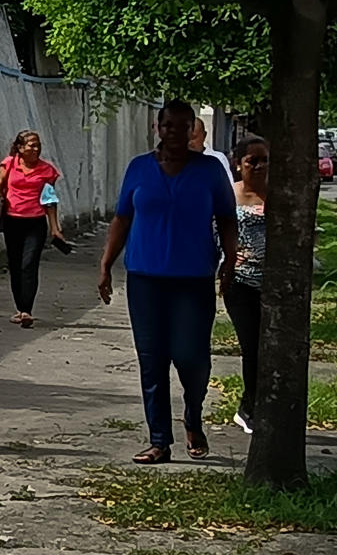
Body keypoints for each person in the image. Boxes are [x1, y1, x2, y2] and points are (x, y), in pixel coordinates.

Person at [97, 101, 237, 463]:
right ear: (157, 128)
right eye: (168, 125)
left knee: (192, 358)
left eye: (183, 125)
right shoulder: (139, 169)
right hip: (145, 279)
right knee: (152, 360)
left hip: (193, 280)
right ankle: (159, 438)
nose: (175, 132)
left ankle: (193, 415)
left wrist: (230, 261)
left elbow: (226, 219)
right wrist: (106, 263)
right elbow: (123, 219)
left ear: (193, 129)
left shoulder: (208, 171)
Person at [0, 130, 62, 327]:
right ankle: (19, 308)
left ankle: (27, 310)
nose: (36, 149)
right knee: (16, 265)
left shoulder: (47, 171)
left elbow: (50, 201)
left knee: (29, 264)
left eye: (38, 145)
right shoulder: (9, 165)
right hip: (12, 221)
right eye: (31, 145)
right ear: (20, 148)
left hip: (35, 223)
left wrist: (55, 228)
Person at [222, 135, 268, 434]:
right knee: (252, 347)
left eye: (265, 159)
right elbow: (214, 229)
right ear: (239, 164)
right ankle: (249, 409)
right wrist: (227, 257)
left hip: (274, 285)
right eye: (253, 160)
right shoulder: (229, 195)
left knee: (271, 348)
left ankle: (260, 406)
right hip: (239, 283)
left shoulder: (280, 194)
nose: (260, 166)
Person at [190, 117, 235, 185]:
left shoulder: (218, 159)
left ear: (204, 136)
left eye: (193, 138)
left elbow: (228, 187)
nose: (190, 143)